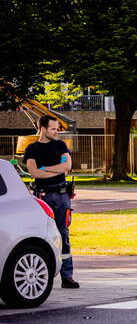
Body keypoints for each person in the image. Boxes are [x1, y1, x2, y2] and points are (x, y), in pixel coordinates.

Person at [23, 116, 78, 288]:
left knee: (64, 234)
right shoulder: (32, 149)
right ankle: (42, 277)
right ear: (43, 129)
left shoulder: (60, 146)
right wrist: (50, 171)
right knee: (41, 235)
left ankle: (67, 277)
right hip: (42, 197)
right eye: (53, 129)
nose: (56, 132)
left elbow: (66, 166)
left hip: (61, 196)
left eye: (57, 129)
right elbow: (34, 173)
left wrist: (45, 168)